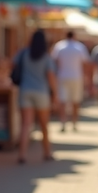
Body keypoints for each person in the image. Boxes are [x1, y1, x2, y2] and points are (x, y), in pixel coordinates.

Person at [13, 30, 57, 164]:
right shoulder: (46, 57)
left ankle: (22, 154)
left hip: (25, 91)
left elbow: (13, 66)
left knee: (26, 124)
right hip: (41, 92)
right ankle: (47, 152)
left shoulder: (23, 53)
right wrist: (55, 93)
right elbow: (50, 77)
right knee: (44, 124)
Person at [51, 31, 89, 132]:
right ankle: (74, 123)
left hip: (62, 76)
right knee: (75, 101)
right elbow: (85, 63)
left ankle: (63, 122)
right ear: (74, 36)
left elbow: (54, 61)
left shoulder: (59, 46)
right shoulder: (79, 47)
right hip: (76, 77)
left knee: (63, 101)